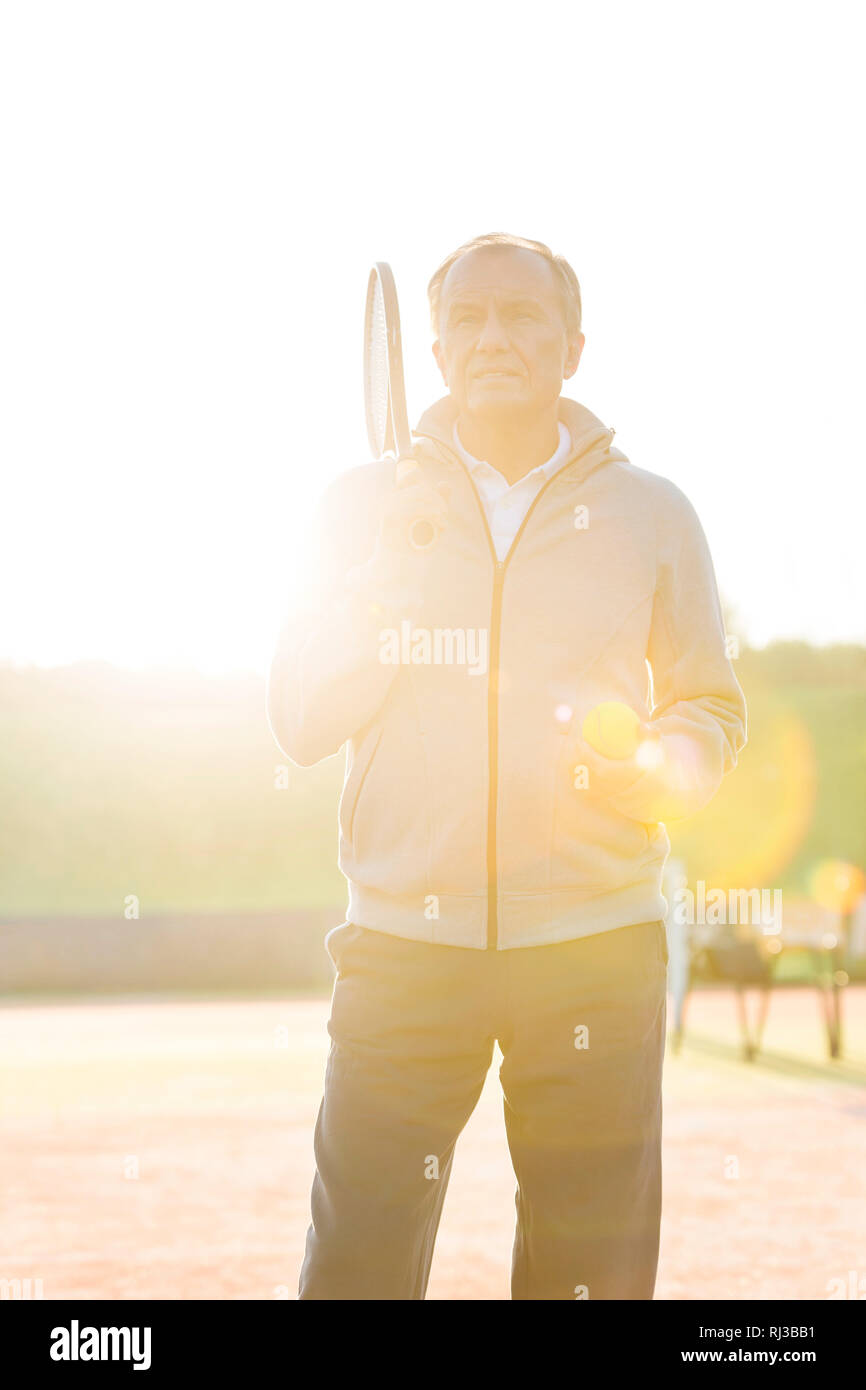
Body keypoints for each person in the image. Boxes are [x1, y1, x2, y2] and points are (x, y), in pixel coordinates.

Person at [267, 232, 747, 1300]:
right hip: (399, 949)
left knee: (590, 1275)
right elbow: (300, 716)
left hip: (592, 944)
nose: (495, 337)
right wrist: (378, 588)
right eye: (471, 319)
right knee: (353, 1269)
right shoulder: (356, 510)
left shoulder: (653, 513)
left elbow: (708, 709)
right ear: (434, 348)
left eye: (523, 316)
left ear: (572, 347)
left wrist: (664, 764)